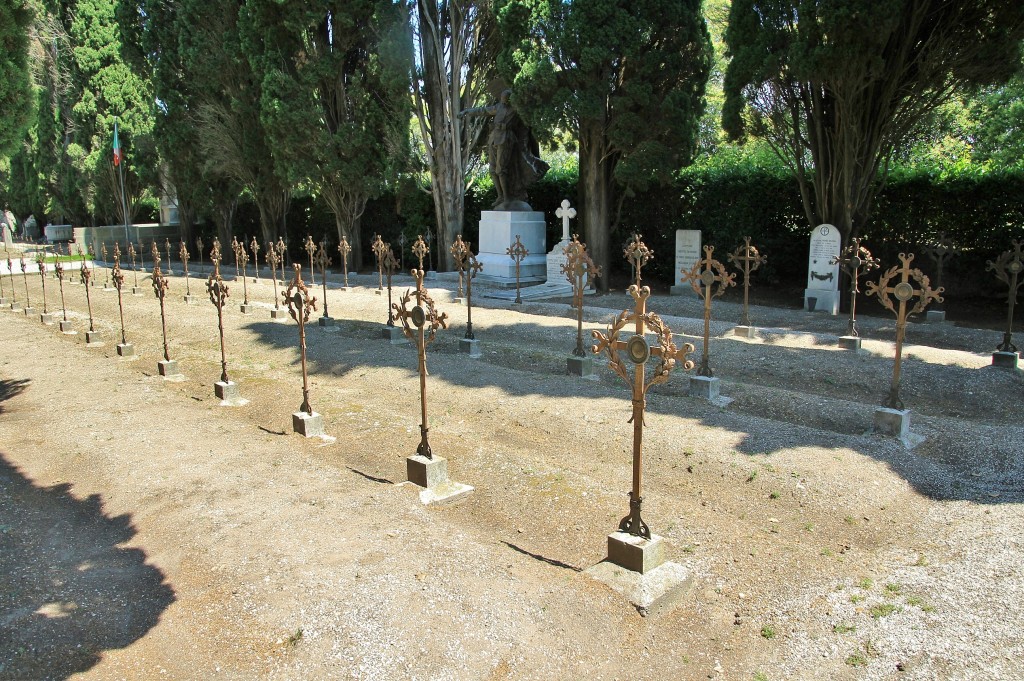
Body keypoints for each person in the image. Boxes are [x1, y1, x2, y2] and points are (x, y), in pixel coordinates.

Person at [459, 89, 549, 211]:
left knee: (501, 169)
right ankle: (500, 196)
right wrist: (467, 112)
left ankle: (507, 197)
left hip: (506, 138)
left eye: (505, 98)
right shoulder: (498, 107)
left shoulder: (516, 109)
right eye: (502, 98)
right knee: (492, 170)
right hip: (494, 138)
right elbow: (483, 110)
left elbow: (529, 118)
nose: (503, 100)